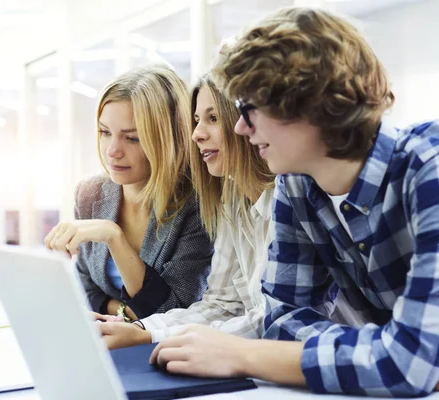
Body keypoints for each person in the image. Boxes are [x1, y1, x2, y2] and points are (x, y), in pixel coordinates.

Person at [151, 7, 439, 397]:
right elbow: (283, 321)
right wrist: (382, 351)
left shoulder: (429, 171)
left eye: (249, 108)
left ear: (310, 105)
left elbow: (409, 364)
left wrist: (243, 355)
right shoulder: (297, 186)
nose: (240, 128)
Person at [98, 74, 275, 348]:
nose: (196, 134)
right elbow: (221, 304)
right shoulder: (233, 199)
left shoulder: (285, 202)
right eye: (196, 121)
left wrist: (151, 334)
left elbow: (272, 321)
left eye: (213, 118)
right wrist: (140, 328)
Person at [44, 65, 213, 321]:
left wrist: (114, 238)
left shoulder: (197, 205)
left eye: (132, 138)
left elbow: (174, 309)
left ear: (168, 139)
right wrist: (127, 313)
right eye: (105, 132)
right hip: (107, 340)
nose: (112, 150)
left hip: (165, 350)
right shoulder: (90, 194)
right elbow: (86, 288)